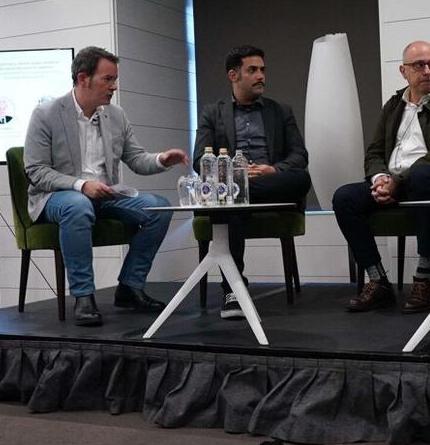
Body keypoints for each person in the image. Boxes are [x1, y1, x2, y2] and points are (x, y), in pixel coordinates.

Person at [24, 46, 189, 326]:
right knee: (77, 205)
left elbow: (136, 159)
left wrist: (163, 159)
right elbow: (36, 171)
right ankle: (84, 297)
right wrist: (80, 185)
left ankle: (129, 286)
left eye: (115, 80)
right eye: (107, 79)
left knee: (158, 208)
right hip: (58, 197)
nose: (113, 87)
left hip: (105, 195)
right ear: (82, 78)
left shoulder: (116, 115)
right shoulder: (47, 114)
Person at [333, 40, 430, 313]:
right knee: (344, 197)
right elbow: (374, 151)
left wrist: (398, 182)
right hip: (393, 182)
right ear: (403, 71)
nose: (428, 71)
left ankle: (426, 273)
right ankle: (377, 280)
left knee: (422, 173)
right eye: (419, 65)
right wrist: (379, 179)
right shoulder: (394, 105)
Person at [194, 45, 311, 320]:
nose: (261, 76)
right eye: (253, 70)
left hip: (272, 187)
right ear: (233, 75)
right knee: (231, 200)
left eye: (262, 70)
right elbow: (201, 159)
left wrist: (273, 169)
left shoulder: (280, 111)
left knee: (300, 178)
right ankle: (232, 289)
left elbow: (300, 155)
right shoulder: (213, 112)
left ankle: (237, 192)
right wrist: (237, 176)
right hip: (234, 186)